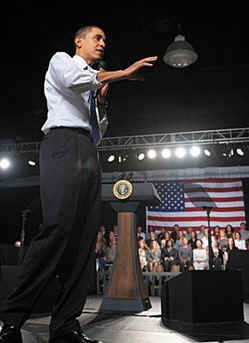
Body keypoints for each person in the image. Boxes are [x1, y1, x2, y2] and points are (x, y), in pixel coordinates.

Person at [0, 25, 158, 343]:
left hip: (87, 150)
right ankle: (12, 319)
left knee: (85, 237)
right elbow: (74, 81)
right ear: (78, 41)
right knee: (57, 227)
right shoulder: (62, 61)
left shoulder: (95, 80)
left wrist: (101, 102)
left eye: (104, 40)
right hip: (61, 144)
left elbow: (98, 131)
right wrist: (123, 73)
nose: (102, 43)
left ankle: (66, 325)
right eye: (96, 38)